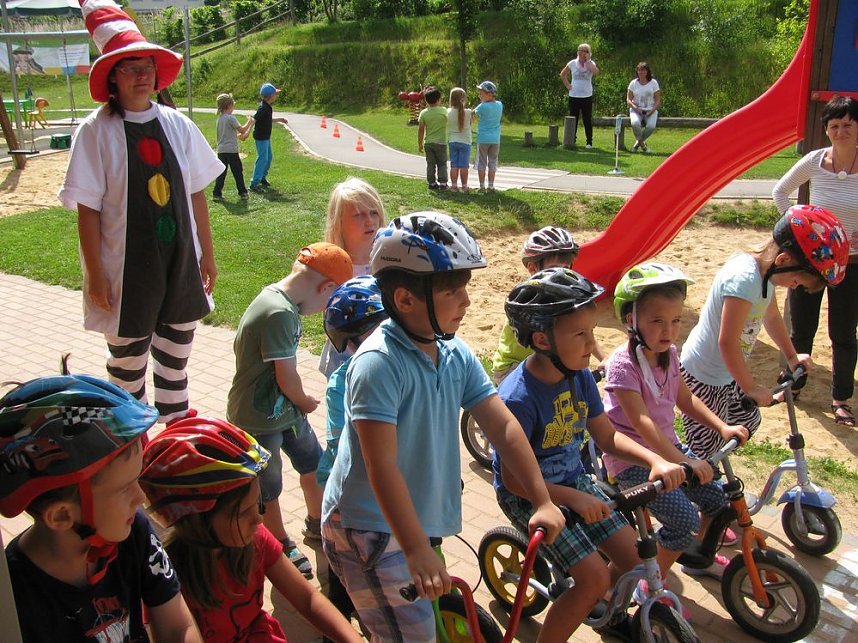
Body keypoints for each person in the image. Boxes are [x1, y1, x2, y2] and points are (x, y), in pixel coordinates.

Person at [321, 212, 565, 641]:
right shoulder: (378, 364)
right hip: (367, 526)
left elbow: (503, 425)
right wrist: (415, 549)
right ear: (405, 300)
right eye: (454, 291)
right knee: (408, 635)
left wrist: (541, 497)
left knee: (426, 617)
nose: (467, 301)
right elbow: (382, 467)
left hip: (411, 515)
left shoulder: (454, 352)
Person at [497, 267, 684, 641]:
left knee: (636, 560)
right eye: (580, 334)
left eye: (592, 332)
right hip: (532, 495)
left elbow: (607, 436)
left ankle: (606, 608)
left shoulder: (578, 375)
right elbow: (516, 481)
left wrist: (656, 460)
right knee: (593, 577)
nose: (591, 343)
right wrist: (573, 499)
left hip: (576, 482)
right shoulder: (517, 398)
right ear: (542, 339)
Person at [58, 0, 223, 425]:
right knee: (127, 373)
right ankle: (131, 445)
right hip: (126, 275)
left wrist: (208, 254)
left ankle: (174, 444)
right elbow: (88, 211)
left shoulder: (177, 124)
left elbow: (197, 193)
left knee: (174, 367)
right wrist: (95, 275)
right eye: (130, 67)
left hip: (179, 267)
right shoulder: (95, 132)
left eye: (146, 66)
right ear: (112, 75)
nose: (141, 75)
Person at [0, 374, 202, 642]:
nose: (140, 497)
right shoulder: (14, 598)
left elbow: (178, 627)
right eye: (125, 487)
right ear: (61, 515)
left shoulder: (133, 530)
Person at [139, 417, 363, 643]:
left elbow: (308, 598)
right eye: (244, 513)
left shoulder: (255, 539)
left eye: (258, 505)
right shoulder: (165, 579)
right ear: (197, 518)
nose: (258, 518)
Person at [603, 263, 751, 596]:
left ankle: (698, 559)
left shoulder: (668, 353)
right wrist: (681, 462)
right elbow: (642, 422)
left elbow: (685, 400)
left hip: (669, 451)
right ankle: (649, 585)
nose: (668, 330)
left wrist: (723, 426)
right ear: (631, 320)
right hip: (634, 462)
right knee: (683, 522)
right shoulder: (623, 365)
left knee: (718, 502)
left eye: (676, 320)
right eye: (657, 321)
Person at [226, 242, 353, 580]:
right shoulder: (279, 313)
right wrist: (304, 401)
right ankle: (279, 541)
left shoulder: (282, 302)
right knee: (268, 486)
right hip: (259, 417)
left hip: (285, 412)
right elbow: (286, 375)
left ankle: (318, 523)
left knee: (312, 462)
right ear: (326, 288)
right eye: (330, 300)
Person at [681, 205, 849, 458]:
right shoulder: (744, 280)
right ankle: (694, 486)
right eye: (798, 281)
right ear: (783, 261)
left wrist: (792, 356)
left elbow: (771, 317)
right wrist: (750, 387)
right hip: (704, 375)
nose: (797, 287)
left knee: (748, 421)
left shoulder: (764, 276)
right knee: (707, 450)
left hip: (727, 372)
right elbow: (726, 342)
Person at [772, 96, 858, 428]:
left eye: (847, 124)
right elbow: (780, 192)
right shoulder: (814, 160)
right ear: (826, 129)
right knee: (800, 327)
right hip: (812, 263)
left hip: (851, 263)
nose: (841, 131)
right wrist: (800, 233)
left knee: (843, 332)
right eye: (834, 125)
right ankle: (792, 386)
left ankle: (841, 399)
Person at [317, 276, 389, 621]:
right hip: (346, 492)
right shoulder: (340, 383)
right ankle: (338, 623)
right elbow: (342, 445)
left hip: (392, 488)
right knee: (343, 576)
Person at [491, 226, 606, 384]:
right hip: (513, 366)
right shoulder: (528, 300)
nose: (561, 275)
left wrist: (603, 358)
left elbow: (579, 329)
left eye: (566, 269)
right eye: (555, 269)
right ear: (532, 268)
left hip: (548, 358)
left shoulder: (563, 296)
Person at [318, 177, 387, 377]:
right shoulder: (332, 267)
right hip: (345, 360)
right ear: (338, 223)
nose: (369, 221)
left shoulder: (388, 261)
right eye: (358, 215)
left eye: (374, 212)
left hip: (386, 356)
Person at [213, 92, 254, 200]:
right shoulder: (231, 118)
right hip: (231, 150)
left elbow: (235, 134)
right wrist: (250, 121)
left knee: (222, 172)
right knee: (237, 171)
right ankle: (243, 193)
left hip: (221, 150)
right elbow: (242, 129)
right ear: (229, 105)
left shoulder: (220, 119)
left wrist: (241, 134)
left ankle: (216, 193)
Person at [249, 83, 288, 193]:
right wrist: (246, 132)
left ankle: (262, 177)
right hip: (261, 137)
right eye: (275, 94)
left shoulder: (268, 107)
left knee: (268, 158)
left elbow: (267, 120)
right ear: (271, 96)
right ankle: (254, 183)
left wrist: (279, 119)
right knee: (262, 159)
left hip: (266, 137)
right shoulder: (262, 108)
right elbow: (254, 119)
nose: (276, 96)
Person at [560, 43, 600, 149]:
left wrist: (588, 61)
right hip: (574, 95)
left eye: (584, 51)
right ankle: (571, 140)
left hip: (587, 95)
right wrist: (568, 85)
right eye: (580, 50)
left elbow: (596, 72)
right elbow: (563, 74)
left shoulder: (590, 63)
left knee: (587, 119)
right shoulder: (573, 63)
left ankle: (589, 142)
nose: (581, 52)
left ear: (588, 53)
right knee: (574, 118)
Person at [473, 80, 504, 192]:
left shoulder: (482, 106)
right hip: (495, 139)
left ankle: (482, 186)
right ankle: (491, 185)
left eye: (481, 93)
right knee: (492, 162)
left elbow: (472, 113)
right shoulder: (500, 105)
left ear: (489, 94)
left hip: (483, 138)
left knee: (481, 162)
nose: (479, 95)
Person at [417, 85, 449, 190]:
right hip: (441, 142)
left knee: (430, 164)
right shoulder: (443, 111)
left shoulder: (424, 113)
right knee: (442, 163)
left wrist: (420, 144)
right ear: (439, 99)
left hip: (429, 143)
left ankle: (431, 182)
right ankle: (443, 182)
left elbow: (421, 130)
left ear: (426, 100)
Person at [626, 61, 661, 153]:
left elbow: (657, 100)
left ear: (647, 72)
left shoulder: (653, 83)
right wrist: (636, 108)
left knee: (651, 126)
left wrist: (652, 111)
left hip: (650, 110)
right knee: (635, 123)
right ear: (637, 71)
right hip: (636, 110)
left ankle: (638, 142)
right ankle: (643, 145)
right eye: (639, 70)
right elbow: (628, 100)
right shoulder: (633, 83)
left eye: (643, 70)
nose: (641, 72)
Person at [447, 87, 473, 192]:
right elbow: (470, 123)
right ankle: (464, 186)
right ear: (463, 99)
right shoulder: (468, 112)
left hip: (453, 140)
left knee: (454, 164)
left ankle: (453, 185)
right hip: (465, 141)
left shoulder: (448, 111)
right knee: (464, 165)